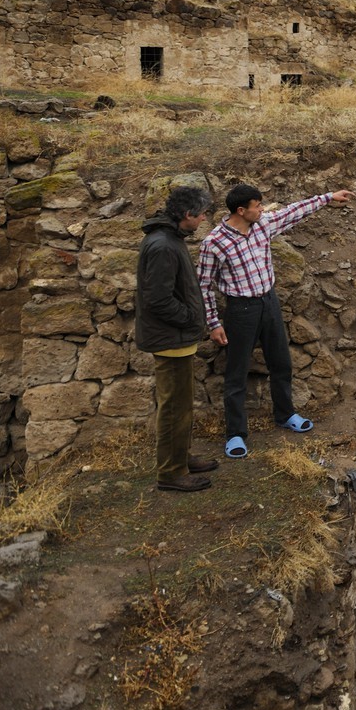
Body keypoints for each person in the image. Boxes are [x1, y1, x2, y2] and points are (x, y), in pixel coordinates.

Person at [198, 184, 353, 459]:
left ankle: (285, 414)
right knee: (236, 372)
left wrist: (328, 198)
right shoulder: (214, 242)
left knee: (281, 363)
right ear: (241, 210)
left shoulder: (262, 225)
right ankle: (235, 434)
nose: (263, 209)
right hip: (240, 309)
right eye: (257, 206)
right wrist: (213, 323)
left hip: (269, 302)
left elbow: (294, 211)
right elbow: (203, 286)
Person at [136, 186, 220, 493]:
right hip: (171, 339)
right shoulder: (163, 246)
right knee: (174, 408)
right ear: (187, 215)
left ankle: (181, 458)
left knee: (182, 406)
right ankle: (171, 473)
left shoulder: (171, 239)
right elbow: (157, 299)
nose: (202, 221)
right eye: (200, 215)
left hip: (176, 338)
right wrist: (191, 319)